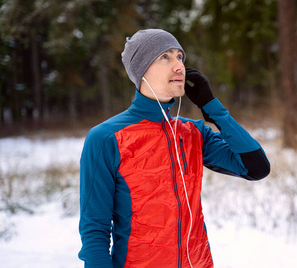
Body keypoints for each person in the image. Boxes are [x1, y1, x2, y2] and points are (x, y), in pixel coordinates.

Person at [78, 29, 270, 268]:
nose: (179, 66)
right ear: (142, 69)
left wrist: (213, 109)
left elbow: (256, 168)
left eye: (180, 57)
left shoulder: (193, 133)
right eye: (165, 57)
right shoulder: (107, 138)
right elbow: (95, 229)